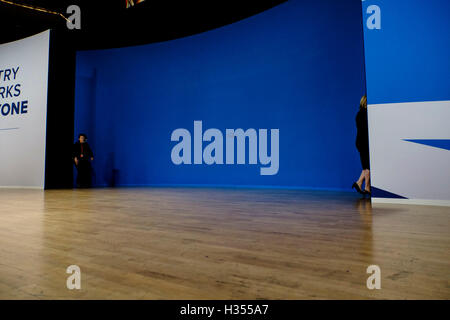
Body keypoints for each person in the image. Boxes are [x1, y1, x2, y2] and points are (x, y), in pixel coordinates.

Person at [352, 95, 371, 196]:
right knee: (367, 166)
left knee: (365, 166)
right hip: (364, 142)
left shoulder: (359, 113)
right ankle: (367, 187)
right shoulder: (366, 114)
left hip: (359, 141)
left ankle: (359, 183)